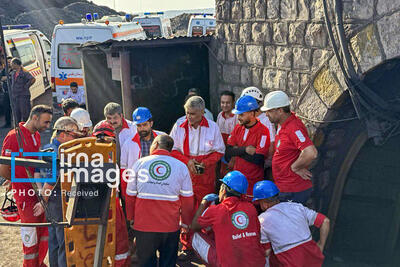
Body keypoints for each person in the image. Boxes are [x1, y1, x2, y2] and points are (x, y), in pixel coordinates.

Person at [125, 135, 194, 267]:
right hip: (170, 227)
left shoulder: (139, 163)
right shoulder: (181, 167)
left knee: (146, 263)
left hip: (143, 225)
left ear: (155, 144)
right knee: (168, 262)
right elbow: (187, 200)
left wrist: (131, 217)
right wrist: (185, 223)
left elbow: (130, 195)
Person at [169, 96, 225, 258]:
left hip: (205, 176)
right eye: (187, 113)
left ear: (202, 112)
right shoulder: (179, 125)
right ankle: (186, 245)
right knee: (184, 210)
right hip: (185, 173)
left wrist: (203, 163)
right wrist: (188, 162)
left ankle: (205, 244)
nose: (189, 117)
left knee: (205, 209)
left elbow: (220, 151)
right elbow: (172, 150)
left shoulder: (213, 127)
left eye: (193, 114)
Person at [0, 105, 53, 267]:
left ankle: (39, 263)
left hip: (37, 191)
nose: (48, 126)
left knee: (43, 233)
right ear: (35, 117)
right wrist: (16, 180)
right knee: (31, 236)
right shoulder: (13, 136)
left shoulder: (36, 135)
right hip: (25, 195)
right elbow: (3, 168)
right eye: (46, 122)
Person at [190, 171, 266, 267]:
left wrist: (203, 202)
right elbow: (257, 234)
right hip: (257, 263)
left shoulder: (216, 210)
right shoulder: (251, 208)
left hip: (228, 264)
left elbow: (194, 226)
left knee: (194, 236)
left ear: (224, 189)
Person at [34, 116, 81, 267]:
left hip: (50, 201)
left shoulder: (46, 147)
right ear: (63, 134)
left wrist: (42, 197)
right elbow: (51, 180)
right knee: (63, 243)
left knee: (54, 241)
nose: (76, 139)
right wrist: (44, 200)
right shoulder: (59, 153)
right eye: (74, 135)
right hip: (57, 201)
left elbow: (36, 173)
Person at [253, 180, 330, 267]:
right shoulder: (296, 206)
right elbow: (325, 221)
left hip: (291, 261)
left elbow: (266, 252)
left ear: (264, 203)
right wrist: (321, 245)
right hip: (313, 257)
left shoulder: (262, 220)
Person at [261, 91, 318, 204]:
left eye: (269, 111)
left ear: (280, 110)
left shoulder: (293, 127)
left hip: (293, 190)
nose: (266, 114)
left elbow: (311, 152)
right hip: (285, 188)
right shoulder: (282, 122)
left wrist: (295, 167)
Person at [92, 121, 131, 267]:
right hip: (107, 207)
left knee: (118, 243)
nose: (104, 142)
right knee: (117, 242)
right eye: (101, 139)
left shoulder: (94, 156)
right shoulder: (98, 158)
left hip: (104, 207)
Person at [225, 95, 271, 195]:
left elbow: (258, 159)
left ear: (251, 113)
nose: (238, 118)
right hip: (236, 180)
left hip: (253, 182)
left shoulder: (263, 131)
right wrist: (245, 150)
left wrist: (236, 150)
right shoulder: (238, 128)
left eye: (241, 115)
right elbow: (228, 151)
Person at [120, 107, 165, 200]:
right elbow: (124, 169)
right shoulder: (128, 143)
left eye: (144, 125)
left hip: (160, 186)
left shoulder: (163, 138)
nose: (142, 128)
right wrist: (125, 194)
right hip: (138, 189)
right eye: (139, 126)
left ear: (151, 123)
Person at [241, 86, 276, 167]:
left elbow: (271, 145)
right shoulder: (244, 117)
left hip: (258, 164)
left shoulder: (266, 120)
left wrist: (264, 164)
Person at [216, 90, 237, 178]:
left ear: (233, 103)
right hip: (222, 152)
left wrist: (233, 159)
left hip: (232, 153)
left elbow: (237, 141)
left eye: (228, 103)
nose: (225, 105)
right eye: (222, 102)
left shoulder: (237, 117)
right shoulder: (220, 115)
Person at [10, 57, 36, 123]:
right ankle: (18, 127)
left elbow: (33, 79)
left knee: (25, 113)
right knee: (16, 113)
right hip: (16, 96)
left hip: (23, 96)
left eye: (12, 64)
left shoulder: (24, 72)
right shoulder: (13, 73)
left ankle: (26, 126)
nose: (11, 65)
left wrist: (26, 86)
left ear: (16, 64)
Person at [1, 56, 12, 128]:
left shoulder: (15, 70)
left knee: (16, 110)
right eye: (7, 62)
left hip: (14, 93)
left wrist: (6, 78)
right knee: (6, 108)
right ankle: (7, 123)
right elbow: (1, 78)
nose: (8, 64)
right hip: (6, 92)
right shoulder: (4, 70)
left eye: (10, 62)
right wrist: (7, 77)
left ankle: (18, 124)